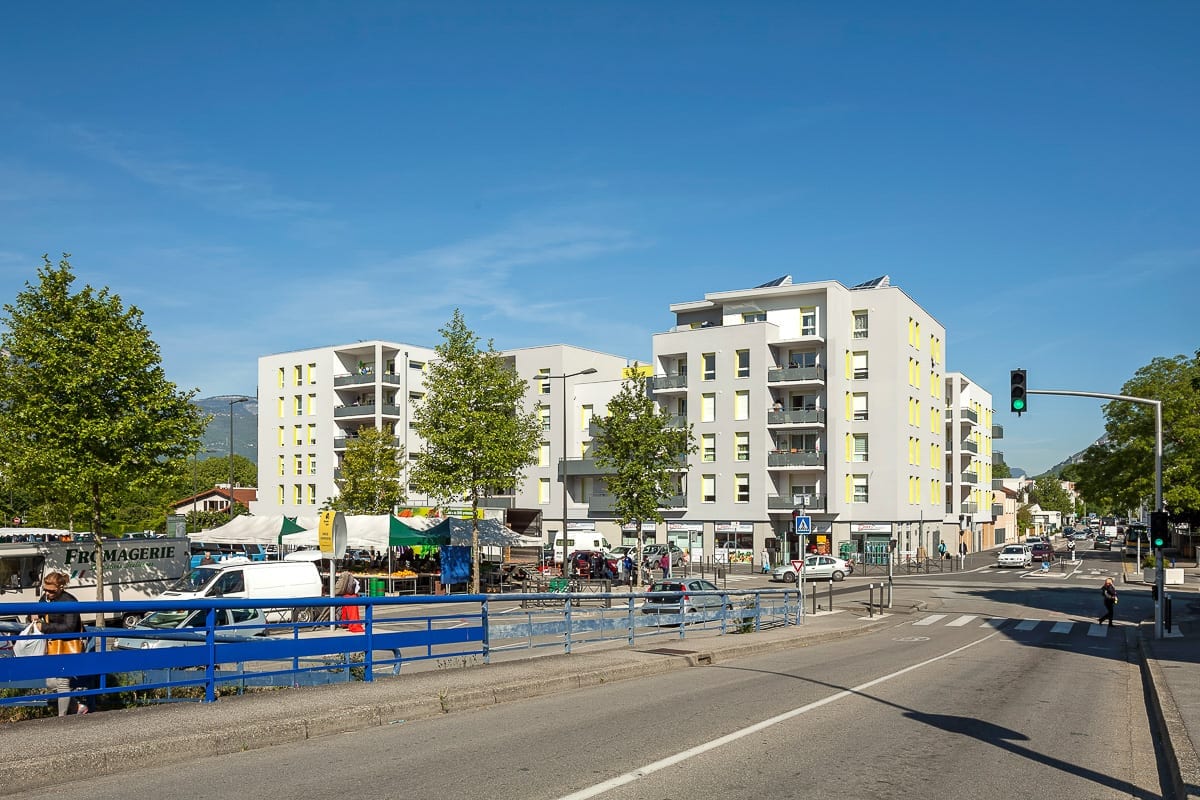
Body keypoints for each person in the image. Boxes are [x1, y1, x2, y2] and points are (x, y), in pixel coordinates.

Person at [36, 571, 87, 715]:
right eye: (45, 589)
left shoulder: (70, 601)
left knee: (63, 682)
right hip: (52, 647)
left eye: (51, 590)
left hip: (68, 646)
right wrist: (32, 616)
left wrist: (45, 628)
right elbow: (37, 613)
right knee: (51, 682)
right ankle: (77, 707)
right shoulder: (45, 599)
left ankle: (62, 719)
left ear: (60, 587)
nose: (47, 593)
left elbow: (70, 627)